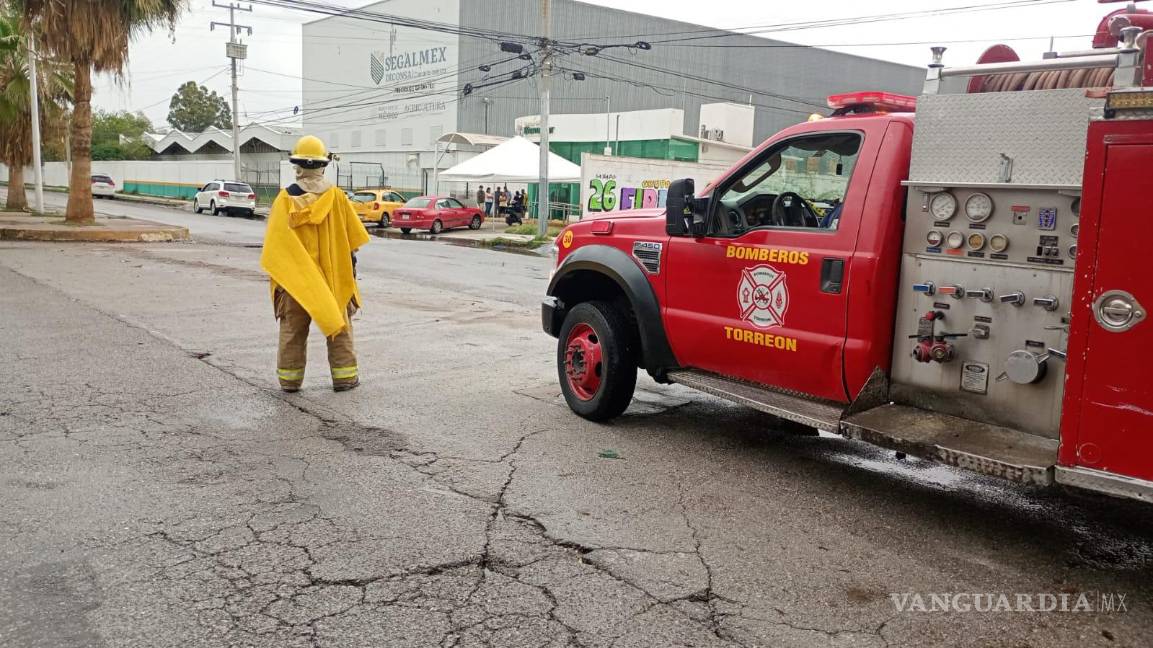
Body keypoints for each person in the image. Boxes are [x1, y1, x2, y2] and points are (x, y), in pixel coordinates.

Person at [260, 135, 370, 393]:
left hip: (295, 281)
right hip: (333, 278)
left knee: (292, 331)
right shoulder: (338, 197)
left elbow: (275, 245)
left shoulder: (284, 199)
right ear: (323, 165)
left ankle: (290, 381)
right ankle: (345, 378)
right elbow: (353, 240)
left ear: (297, 165)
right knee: (339, 327)